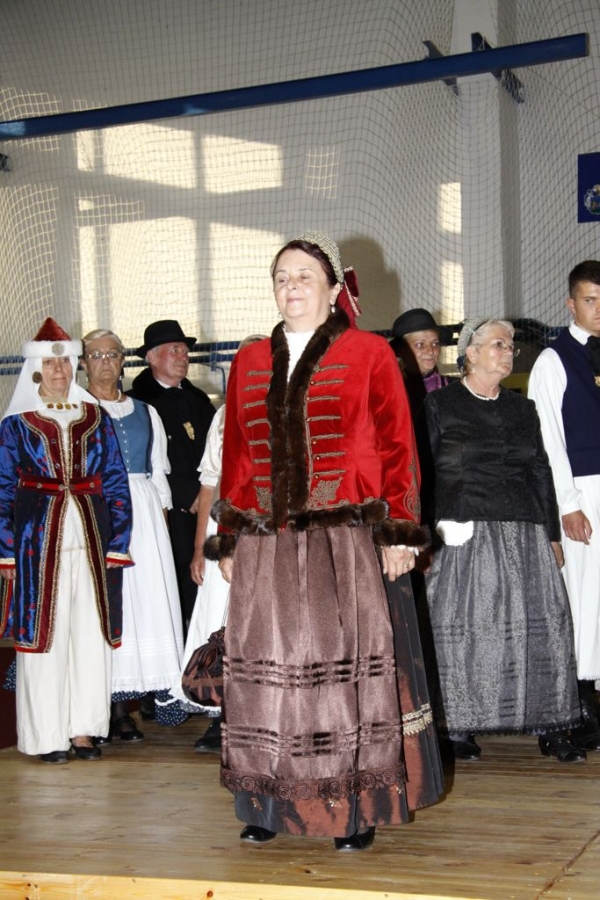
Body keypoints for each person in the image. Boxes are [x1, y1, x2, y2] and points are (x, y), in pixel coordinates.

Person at [205, 232, 443, 850]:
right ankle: (266, 803)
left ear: (334, 289)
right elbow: (238, 457)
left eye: (304, 276)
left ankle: (350, 810)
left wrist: (399, 531)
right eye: (282, 277)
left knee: (336, 681)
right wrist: (229, 537)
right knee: (265, 679)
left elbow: (398, 446)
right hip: (265, 546)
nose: (291, 286)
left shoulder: (369, 352)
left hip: (341, 542)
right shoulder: (250, 360)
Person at [424, 317, 582, 763]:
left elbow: (539, 471)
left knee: (542, 628)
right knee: (465, 633)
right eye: (498, 344)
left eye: (510, 345)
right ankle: (458, 727)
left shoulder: (521, 408)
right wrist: (428, 532)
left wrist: (551, 533)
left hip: (524, 528)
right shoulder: (439, 405)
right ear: (470, 354)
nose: (508, 352)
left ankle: (552, 725)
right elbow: (424, 472)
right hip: (462, 530)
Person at [0, 318, 133, 764]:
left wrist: (118, 540)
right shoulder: (16, 424)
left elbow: (114, 481)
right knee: (46, 637)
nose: (58, 370)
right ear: (36, 369)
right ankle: (47, 735)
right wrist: (6, 551)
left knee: (90, 635)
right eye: (49, 363)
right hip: (37, 545)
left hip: (91, 542)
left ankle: (84, 730)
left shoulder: (94, 417)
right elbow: (3, 488)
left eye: (64, 362)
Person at [81, 329, 186, 738]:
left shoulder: (146, 412)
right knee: (107, 603)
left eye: (112, 354)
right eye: (96, 355)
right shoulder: (76, 410)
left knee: (145, 602)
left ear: (123, 360)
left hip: (142, 510)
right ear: (83, 363)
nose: (105, 362)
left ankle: (139, 699)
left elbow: (158, 474)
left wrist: (160, 528)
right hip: (96, 508)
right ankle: (109, 708)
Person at [528, 260, 600, 753]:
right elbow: (548, 442)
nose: (599, 309)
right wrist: (567, 505)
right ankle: (575, 706)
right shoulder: (552, 360)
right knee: (581, 598)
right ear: (571, 304)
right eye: (591, 300)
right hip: (582, 493)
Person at [129, 320, 215, 664]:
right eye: (175, 350)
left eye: (185, 351)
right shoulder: (137, 404)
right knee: (170, 588)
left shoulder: (199, 400)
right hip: (166, 513)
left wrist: (207, 495)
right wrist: (186, 494)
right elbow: (142, 459)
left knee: (202, 586)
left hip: (206, 509)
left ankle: (202, 663)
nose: (184, 357)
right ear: (152, 357)